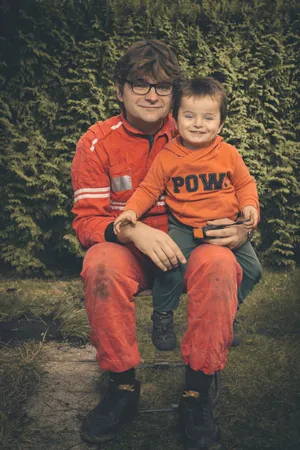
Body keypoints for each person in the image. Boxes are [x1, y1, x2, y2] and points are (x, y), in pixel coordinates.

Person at [71, 40, 262, 449]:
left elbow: (238, 184)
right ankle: (122, 387)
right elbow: (86, 220)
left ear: (174, 95)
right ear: (118, 89)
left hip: (193, 246)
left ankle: (196, 390)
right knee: (100, 263)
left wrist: (243, 230)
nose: (152, 95)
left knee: (220, 263)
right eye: (140, 84)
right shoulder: (96, 142)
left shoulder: (195, 127)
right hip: (132, 254)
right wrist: (133, 230)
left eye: (162, 86)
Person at [114, 76, 261, 352]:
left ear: (221, 124)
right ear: (176, 118)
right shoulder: (169, 156)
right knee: (169, 268)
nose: (197, 123)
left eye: (208, 118)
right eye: (189, 115)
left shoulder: (228, 154)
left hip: (223, 229)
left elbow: (244, 184)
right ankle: (162, 316)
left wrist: (250, 206)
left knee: (252, 270)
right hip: (184, 228)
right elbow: (148, 189)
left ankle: (226, 313)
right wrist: (131, 212)